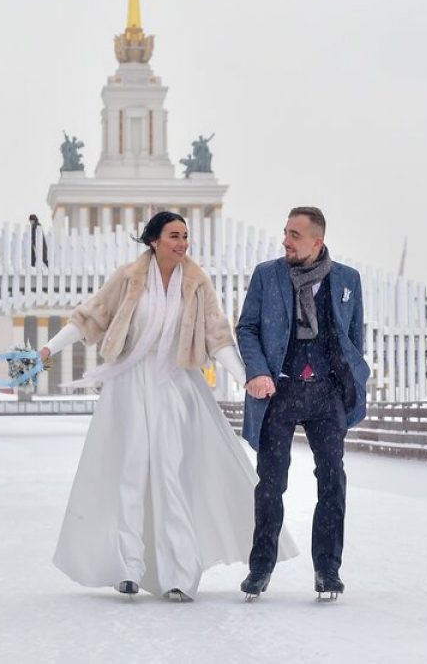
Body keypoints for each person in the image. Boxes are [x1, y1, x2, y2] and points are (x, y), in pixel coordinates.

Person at [39, 210, 296, 601]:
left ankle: (178, 573)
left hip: (175, 385)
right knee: (130, 471)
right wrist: (48, 348)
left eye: (185, 236)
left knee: (172, 473)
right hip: (128, 384)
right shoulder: (128, 279)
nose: (182, 243)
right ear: (154, 240)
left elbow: (217, 336)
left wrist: (245, 376)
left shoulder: (196, 284)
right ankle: (127, 567)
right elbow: (91, 318)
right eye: (174, 236)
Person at [236, 206, 370, 600]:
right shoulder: (267, 275)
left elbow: (353, 335)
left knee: (332, 481)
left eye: (295, 234)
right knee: (271, 485)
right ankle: (260, 568)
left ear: (318, 241)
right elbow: (246, 327)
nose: (286, 241)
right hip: (280, 391)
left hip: (327, 394)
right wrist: (257, 371)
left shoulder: (347, 280)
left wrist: (351, 379)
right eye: (286, 232)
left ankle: (328, 571)